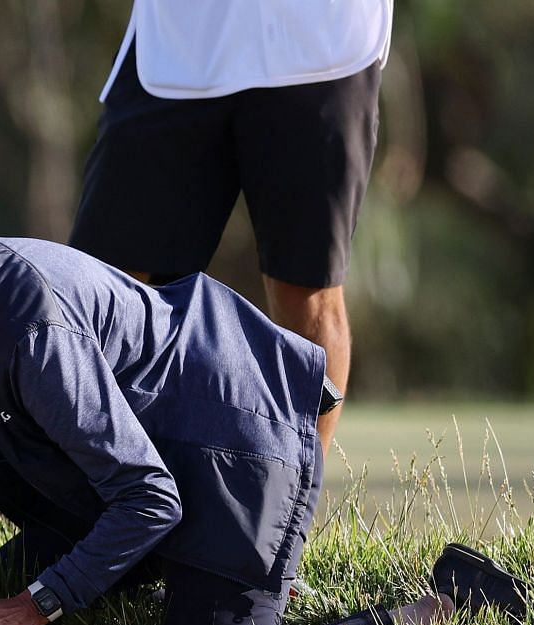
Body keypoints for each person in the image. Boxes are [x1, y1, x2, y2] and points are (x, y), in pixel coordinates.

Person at [0, 202, 525, 625]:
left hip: (232, 451)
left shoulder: (31, 336)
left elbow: (150, 497)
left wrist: (34, 608)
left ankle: (450, 608)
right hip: (132, 459)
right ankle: (182, 582)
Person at [68, 0, 393, 455]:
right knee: (99, 283)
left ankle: (293, 511)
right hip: (181, 42)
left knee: (306, 288)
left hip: (318, 44)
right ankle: (64, 504)